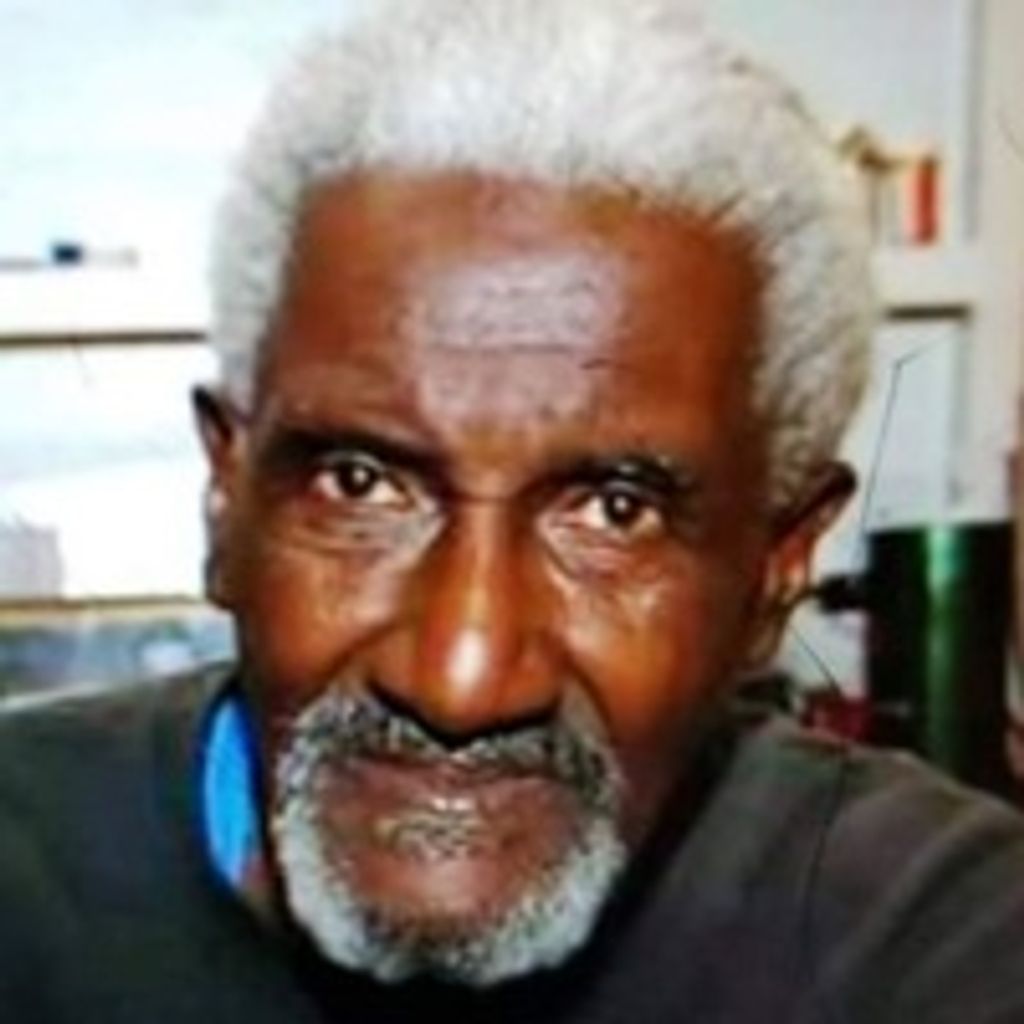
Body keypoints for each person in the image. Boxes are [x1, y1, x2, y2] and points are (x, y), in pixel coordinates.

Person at [3, 1, 1024, 1020]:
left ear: (777, 569)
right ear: (226, 499)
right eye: (360, 484)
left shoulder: (937, 935)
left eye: (616, 512)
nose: (461, 679)